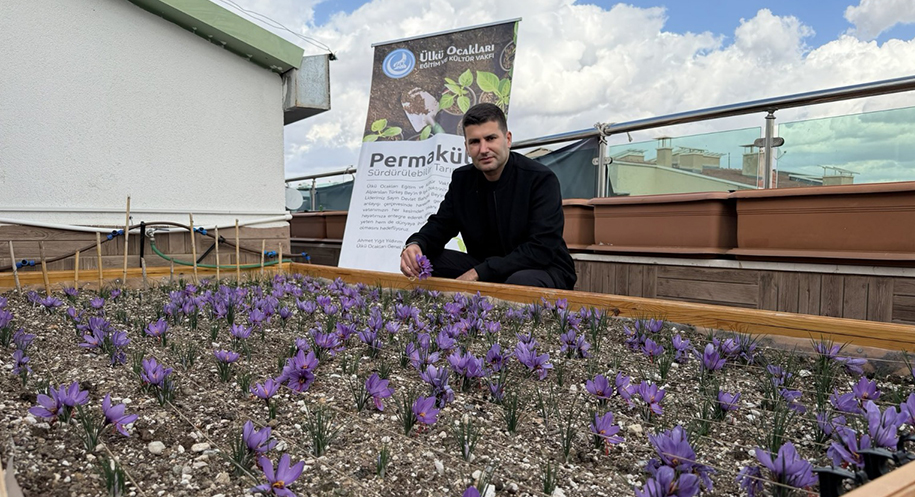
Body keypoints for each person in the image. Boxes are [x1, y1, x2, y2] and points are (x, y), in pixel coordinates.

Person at [399, 103, 577, 290]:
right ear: (466, 147)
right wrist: (416, 244)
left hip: (543, 269)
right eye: (475, 142)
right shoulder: (462, 180)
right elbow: (441, 224)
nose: (483, 149)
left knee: (519, 283)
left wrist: (479, 273)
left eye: (490, 138)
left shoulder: (540, 179)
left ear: (507, 139)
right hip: (485, 266)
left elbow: (541, 248)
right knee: (424, 261)